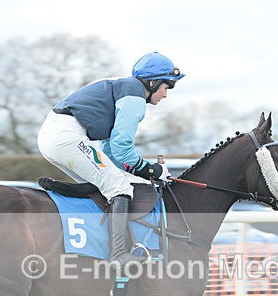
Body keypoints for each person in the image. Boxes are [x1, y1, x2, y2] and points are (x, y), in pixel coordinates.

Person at [38, 51, 184, 268]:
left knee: (107, 181)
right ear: (152, 82)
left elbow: (110, 150)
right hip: (66, 136)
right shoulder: (135, 96)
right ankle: (118, 254)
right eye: (167, 86)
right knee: (119, 187)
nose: (166, 94)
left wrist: (139, 171)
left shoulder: (121, 89)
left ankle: (75, 194)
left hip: (53, 136)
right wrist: (151, 171)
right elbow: (121, 147)